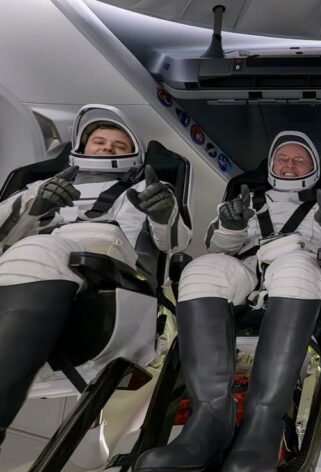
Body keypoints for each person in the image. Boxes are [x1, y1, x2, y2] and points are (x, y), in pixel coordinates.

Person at [134, 130, 321, 472]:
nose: (290, 165)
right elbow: (217, 248)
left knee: (295, 268)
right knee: (201, 269)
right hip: (247, 270)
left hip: (300, 269)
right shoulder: (245, 200)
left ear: (313, 168)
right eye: (283, 159)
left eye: (299, 159)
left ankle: (264, 421)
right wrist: (231, 226)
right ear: (271, 165)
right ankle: (210, 419)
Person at [0, 104, 191, 445]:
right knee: (33, 251)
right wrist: (35, 208)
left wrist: (164, 214)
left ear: (133, 153)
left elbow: (174, 243)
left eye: (118, 145)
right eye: (99, 142)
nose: (107, 149)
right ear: (82, 147)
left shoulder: (148, 190)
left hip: (111, 271)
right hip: (23, 268)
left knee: (40, 249)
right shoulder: (40, 187)